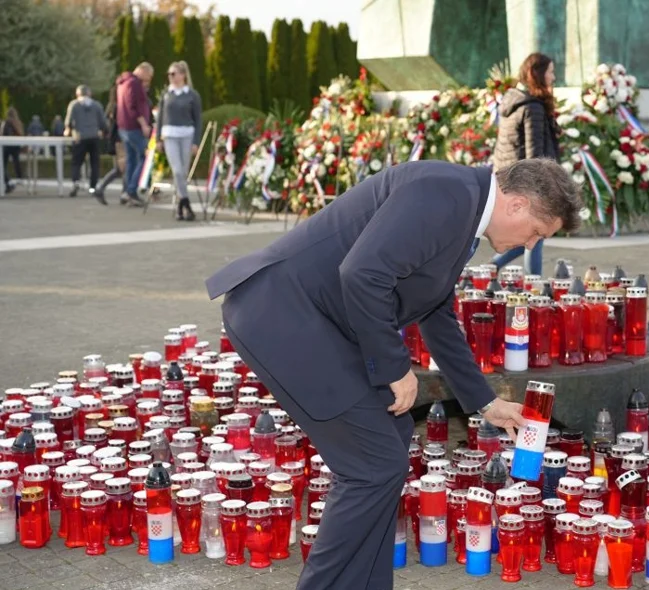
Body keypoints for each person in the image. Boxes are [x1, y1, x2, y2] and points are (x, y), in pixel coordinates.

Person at [206, 158, 581, 589]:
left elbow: (436, 311)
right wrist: (395, 367)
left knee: (392, 440)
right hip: (283, 317)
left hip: (312, 320)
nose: (531, 246)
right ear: (516, 204)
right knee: (372, 465)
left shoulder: (464, 205)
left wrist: (485, 401)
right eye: (537, 232)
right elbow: (363, 273)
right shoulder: (446, 193)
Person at [490, 52, 561, 275]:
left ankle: (490, 268)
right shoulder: (532, 107)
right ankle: (534, 288)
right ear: (538, 74)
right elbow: (534, 156)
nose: (553, 77)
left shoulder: (514, 102)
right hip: (526, 182)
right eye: (550, 71)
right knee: (535, 235)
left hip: (508, 178)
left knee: (529, 237)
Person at [156, 61, 202, 221]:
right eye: (169, 74)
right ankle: (185, 202)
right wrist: (157, 140)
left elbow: (198, 120)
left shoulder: (192, 95)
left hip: (187, 135)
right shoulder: (166, 94)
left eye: (174, 74)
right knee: (177, 171)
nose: (171, 77)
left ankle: (180, 206)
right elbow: (160, 119)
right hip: (169, 135)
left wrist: (197, 142)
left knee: (183, 171)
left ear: (183, 75)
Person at [116, 62, 153, 206]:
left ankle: (126, 192)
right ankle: (131, 191)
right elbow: (133, 106)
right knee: (146, 157)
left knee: (131, 160)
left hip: (123, 127)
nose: (148, 80)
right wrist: (144, 124)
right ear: (143, 71)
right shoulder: (134, 84)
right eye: (149, 76)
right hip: (134, 127)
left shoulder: (123, 82)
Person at [64, 84, 109, 199]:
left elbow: (68, 122)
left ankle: (76, 182)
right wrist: (104, 131)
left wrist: (69, 129)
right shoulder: (97, 105)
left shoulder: (74, 105)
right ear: (89, 93)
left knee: (76, 162)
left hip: (80, 137)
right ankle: (92, 187)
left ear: (77, 94)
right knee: (94, 163)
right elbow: (103, 123)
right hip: (94, 136)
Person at [94, 82, 126, 204]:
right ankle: (103, 188)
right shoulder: (119, 107)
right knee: (122, 167)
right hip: (120, 139)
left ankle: (124, 192)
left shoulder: (111, 106)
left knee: (121, 168)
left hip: (115, 139)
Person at [1, 107, 24, 194]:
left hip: (6, 146)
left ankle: (8, 182)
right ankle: (19, 177)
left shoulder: (6, 122)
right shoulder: (17, 122)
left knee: (2, 165)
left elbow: (3, 134)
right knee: (16, 161)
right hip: (15, 146)